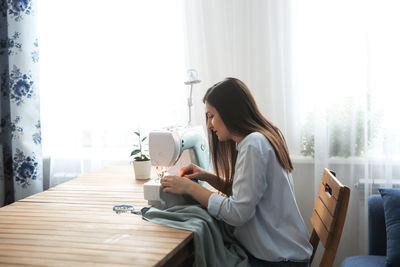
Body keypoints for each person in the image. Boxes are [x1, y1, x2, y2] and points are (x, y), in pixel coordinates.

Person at [161, 77, 313, 267]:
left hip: (278, 261)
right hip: (282, 254)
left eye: (211, 116)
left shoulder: (253, 144)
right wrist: (206, 176)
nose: (209, 125)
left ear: (229, 112)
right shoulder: (261, 137)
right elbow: (247, 195)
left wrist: (190, 188)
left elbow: (237, 213)